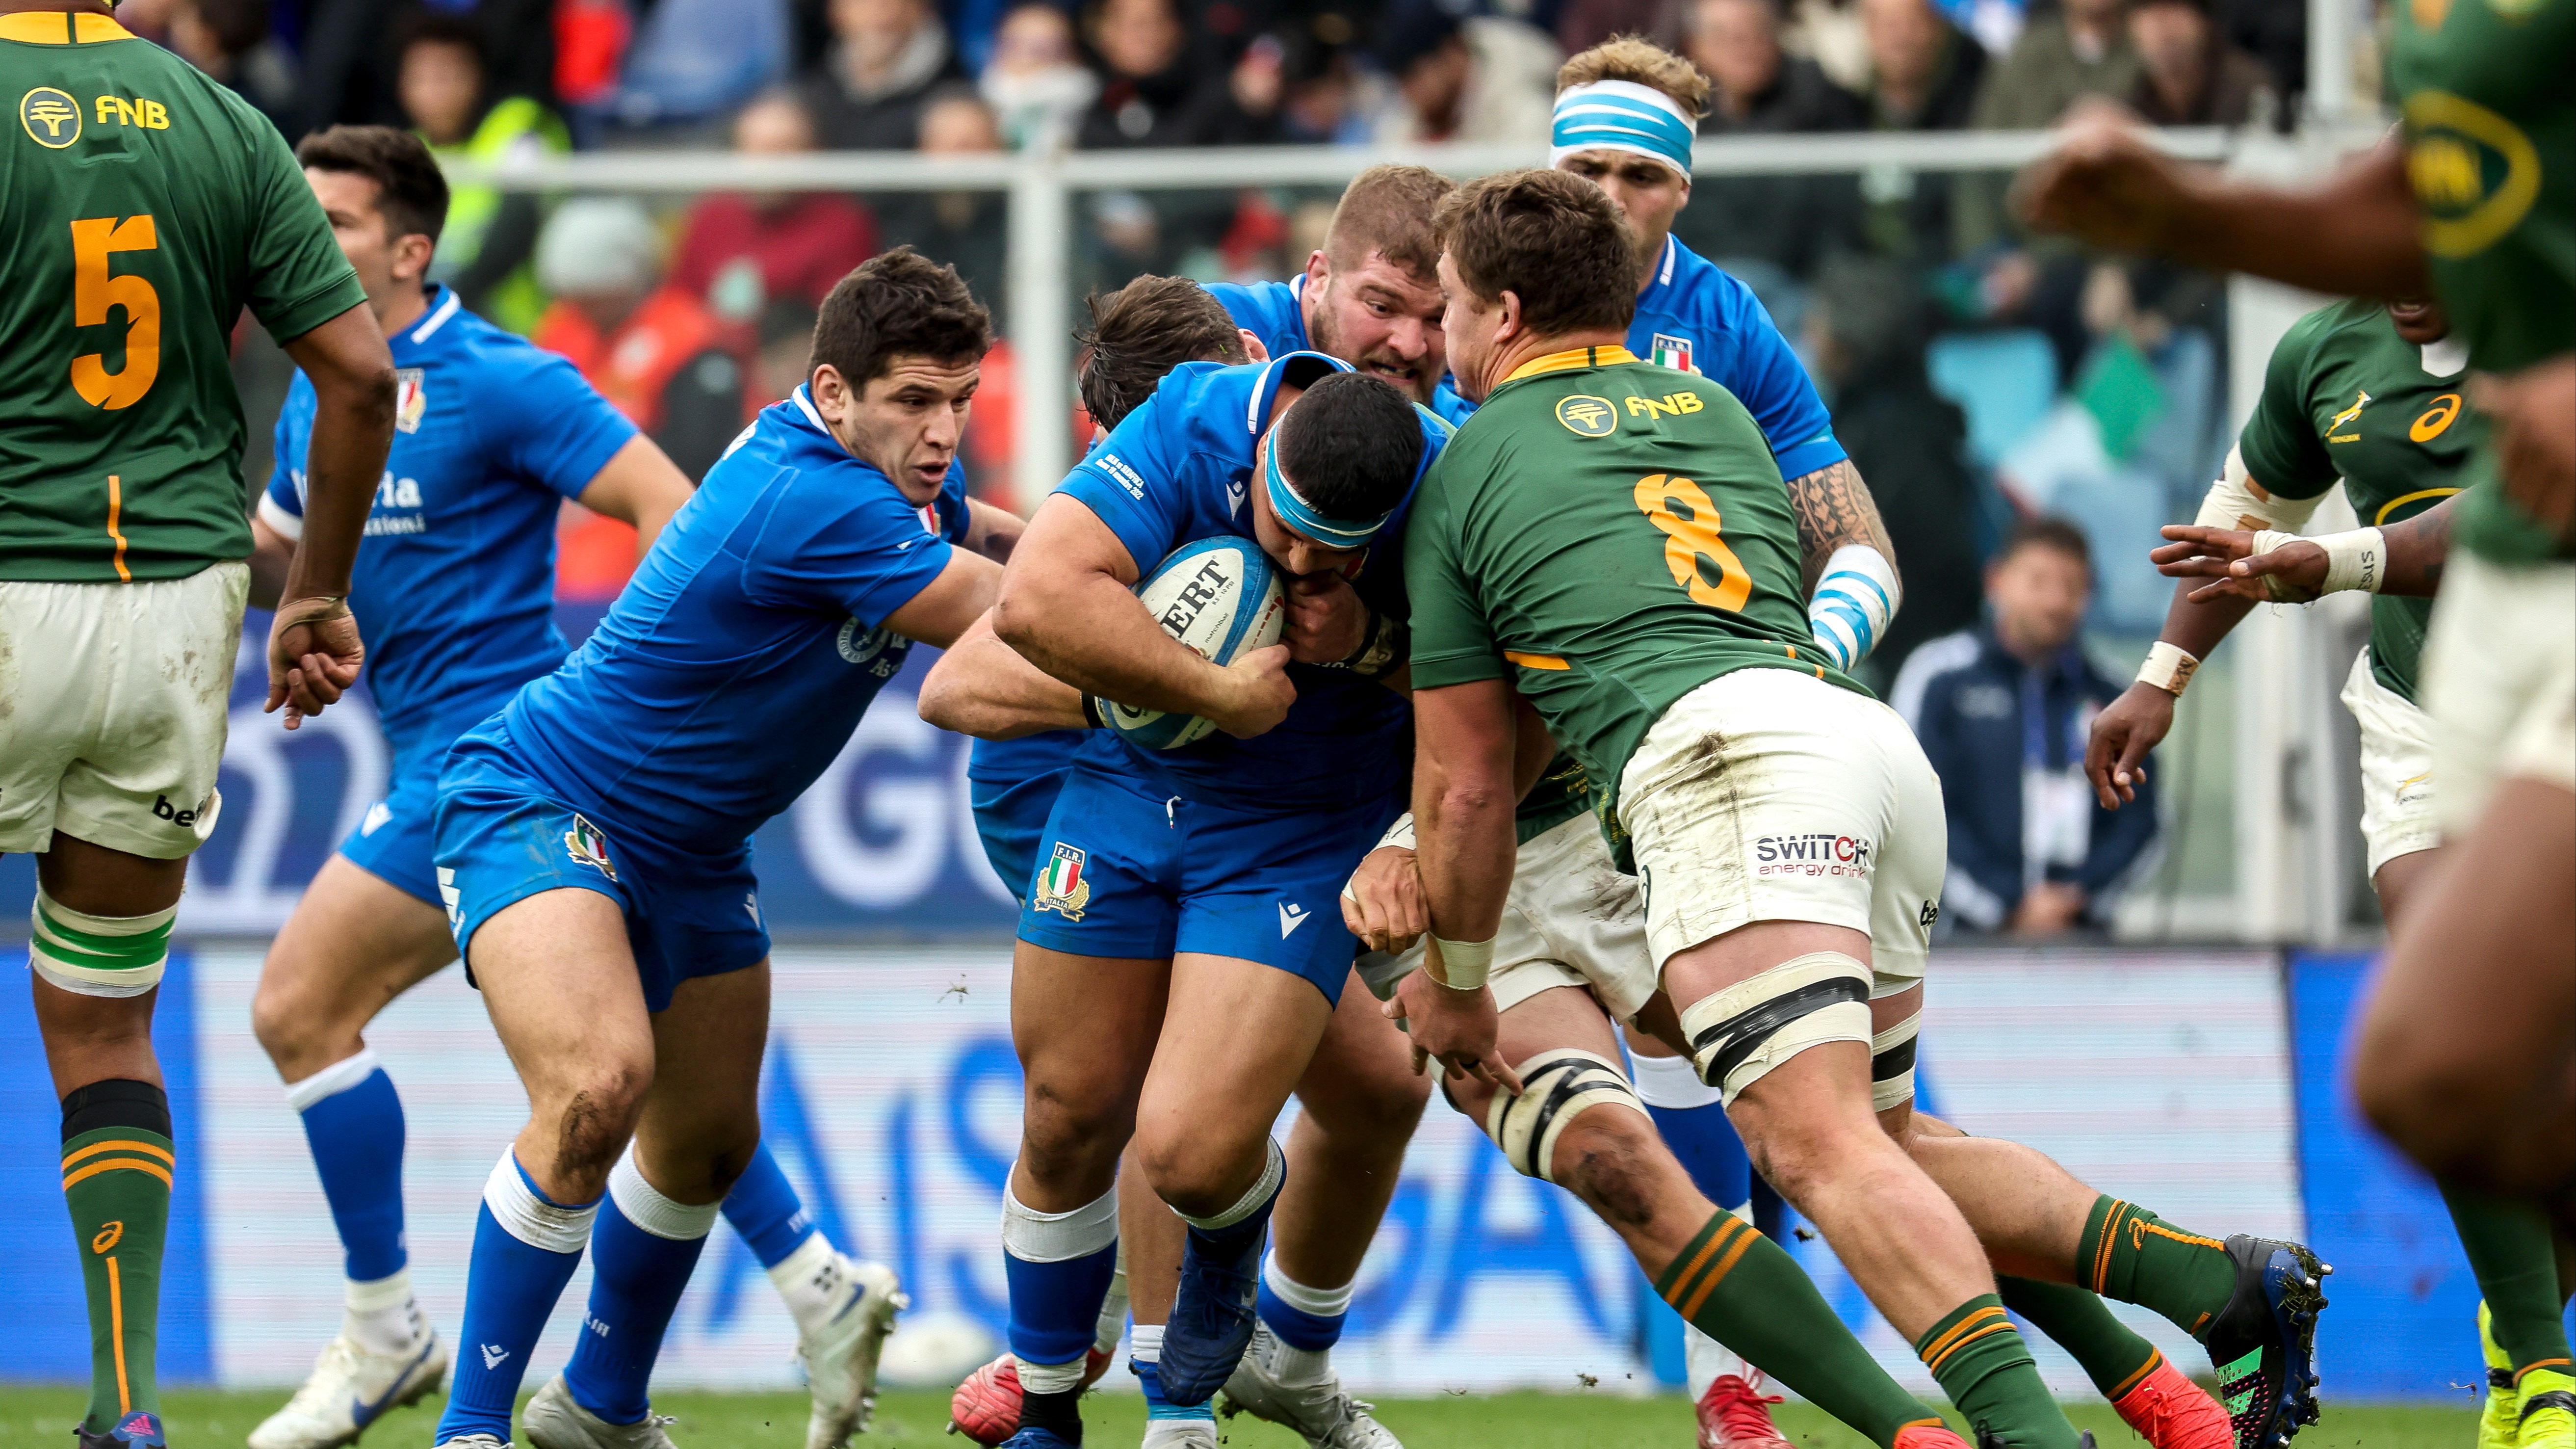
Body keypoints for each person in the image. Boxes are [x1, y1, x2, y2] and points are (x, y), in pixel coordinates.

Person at [1399, 167, 2329, 1449]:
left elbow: (1461, 778)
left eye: (1447, 306)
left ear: (1501, 314)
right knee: (1888, 1143)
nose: (1438, 337)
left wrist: (1451, 973)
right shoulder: (1717, 406)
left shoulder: (1471, 461)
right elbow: (1840, 548)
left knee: (1818, 1157)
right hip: (1862, 744)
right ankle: (2207, 1287)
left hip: (1721, 775)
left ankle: (2034, 1433)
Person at [231, 127, 900, 1449]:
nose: (308, 241)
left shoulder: (501, 381)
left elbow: (673, 505)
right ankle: (807, 1282)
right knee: (610, 1077)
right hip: (442, 758)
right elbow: (283, 555)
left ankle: (391, 1338)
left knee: (307, 1006)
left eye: (340, 222)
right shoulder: (331, 384)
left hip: (511, 766)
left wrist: (646, 701)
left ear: (411, 249)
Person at [424, 248, 1017, 1449]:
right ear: (835, 389)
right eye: (915, 400)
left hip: (693, 846)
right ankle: (471, 1427)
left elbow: (1026, 542)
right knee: (597, 1086)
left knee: (702, 1141)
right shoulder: (816, 495)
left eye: (960, 399)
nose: (944, 429)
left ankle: (599, 1402)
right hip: (541, 795)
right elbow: (1025, 612)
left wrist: (1133, 535)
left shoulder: (879, 476)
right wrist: (1202, 644)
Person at [2013, 0, 2575, 1240]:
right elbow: (2399, 199)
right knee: (2435, 1073)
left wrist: (2315, 560)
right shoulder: (2436, 40)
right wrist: (2178, 209)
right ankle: (2535, 1364)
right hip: (2470, 665)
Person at [0, 6, 393, 1446]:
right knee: (105, 1025)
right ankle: (127, 1411)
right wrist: (319, 595)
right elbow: (356, 376)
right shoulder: (220, 120)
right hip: (175, 609)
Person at [2090, 292, 2575, 1449]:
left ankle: (2518, 1330)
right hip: (2424, 718)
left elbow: (2505, 513)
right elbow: (2241, 522)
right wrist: (2161, 673)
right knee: (2460, 1024)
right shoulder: (2324, 350)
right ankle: (2548, 1374)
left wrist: (2328, 560)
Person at [963, 353, 1446, 1449]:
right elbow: (1036, 600)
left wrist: (1374, 648)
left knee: (1187, 1152)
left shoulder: (1450, 485)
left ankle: (1232, 1232)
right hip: (1129, 794)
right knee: (1064, 1114)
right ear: (1264, 455)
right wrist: (1214, 690)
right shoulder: (1194, 419)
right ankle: (1046, 1420)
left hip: (1297, 837)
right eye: (1287, 528)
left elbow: (1517, 689)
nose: (1310, 561)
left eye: (1342, 547)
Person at [931, 277, 1283, 1449]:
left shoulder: (1300, 440)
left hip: (1242, 820)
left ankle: (1213, 1351)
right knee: (1095, 1099)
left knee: (1341, 1087)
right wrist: (1169, 687)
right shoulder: (1126, 503)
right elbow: (958, 684)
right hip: (1070, 805)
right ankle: (1137, 1387)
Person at [1893, 519, 2158, 936]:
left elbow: (2143, 819)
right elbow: (1910, 810)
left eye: (2071, 587)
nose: (2054, 601)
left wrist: (2077, 900)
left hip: (2084, 943)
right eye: (2037, 582)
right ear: (1996, 581)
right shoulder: (1940, 675)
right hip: (1960, 943)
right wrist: (2005, 905)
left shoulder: (2115, 694)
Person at [1209, 164, 1468, 423]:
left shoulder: (1462, 412)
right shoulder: (1210, 327)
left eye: (1437, 318)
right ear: (1320, 278)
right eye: (1381, 307)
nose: (1410, 347)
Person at [531, 197, 748, 488]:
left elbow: (696, 452)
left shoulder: (689, 338)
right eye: (576, 300)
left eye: (598, 299)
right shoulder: (565, 324)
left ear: (631, 281)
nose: (586, 313)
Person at [398, 13, 569, 336]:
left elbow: (515, 232)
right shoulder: (403, 152)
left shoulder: (519, 129)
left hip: (510, 329)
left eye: (447, 77)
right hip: (428, 328)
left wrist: (439, 305)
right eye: (420, 78)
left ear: (477, 76)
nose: (434, 92)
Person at [1673, 0, 1867, 280]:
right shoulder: (1680, 117)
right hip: (1702, 288)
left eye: (1756, 31)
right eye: (1726, 36)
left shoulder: (1819, 102)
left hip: (1802, 285)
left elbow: (1840, 221)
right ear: (1696, 45)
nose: (1744, 46)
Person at [670, 89, 879, 329]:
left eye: (782, 151)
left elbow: (841, 329)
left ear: (813, 155)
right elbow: (679, 302)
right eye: (754, 150)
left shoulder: (844, 223)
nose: (765, 167)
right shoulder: (715, 212)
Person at [804, 0, 968, 151]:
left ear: (921, 8)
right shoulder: (814, 92)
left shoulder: (955, 86)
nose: (879, 11)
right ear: (836, 12)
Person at [2121, 0, 2275, 128]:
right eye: (2151, 13)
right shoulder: (2125, 84)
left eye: (2174, 9)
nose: (2163, 30)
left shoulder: (2249, 85)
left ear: (2204, 21)